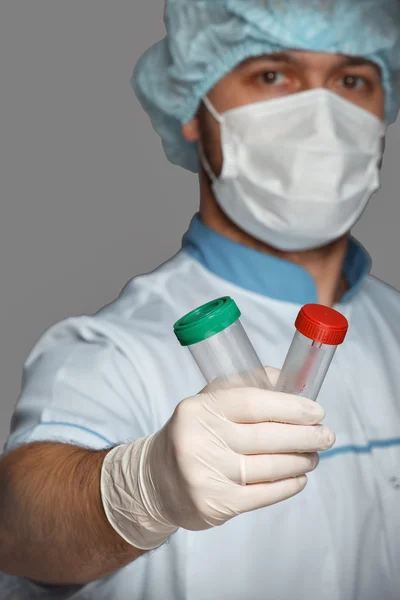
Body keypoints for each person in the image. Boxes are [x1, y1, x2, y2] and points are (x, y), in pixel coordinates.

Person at [0, 0, 399, 598]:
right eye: (272, 74)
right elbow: (17, 526)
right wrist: (142, 486)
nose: (323, 114)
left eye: (352, 80)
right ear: (192, 109)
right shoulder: (111, 351)